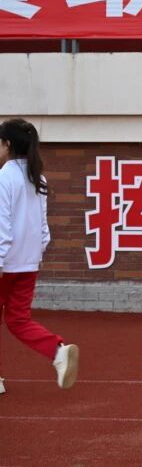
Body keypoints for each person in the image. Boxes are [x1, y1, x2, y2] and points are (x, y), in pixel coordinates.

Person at [0, 119, 79, 395]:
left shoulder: (4, 178)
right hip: (28, 262)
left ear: (7, 145)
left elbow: (2, 224)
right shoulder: (38, 178)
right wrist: (38, 252)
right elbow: (42, 225)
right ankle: (57, 352)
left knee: (16, 320)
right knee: (18, 320)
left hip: (6, 262)